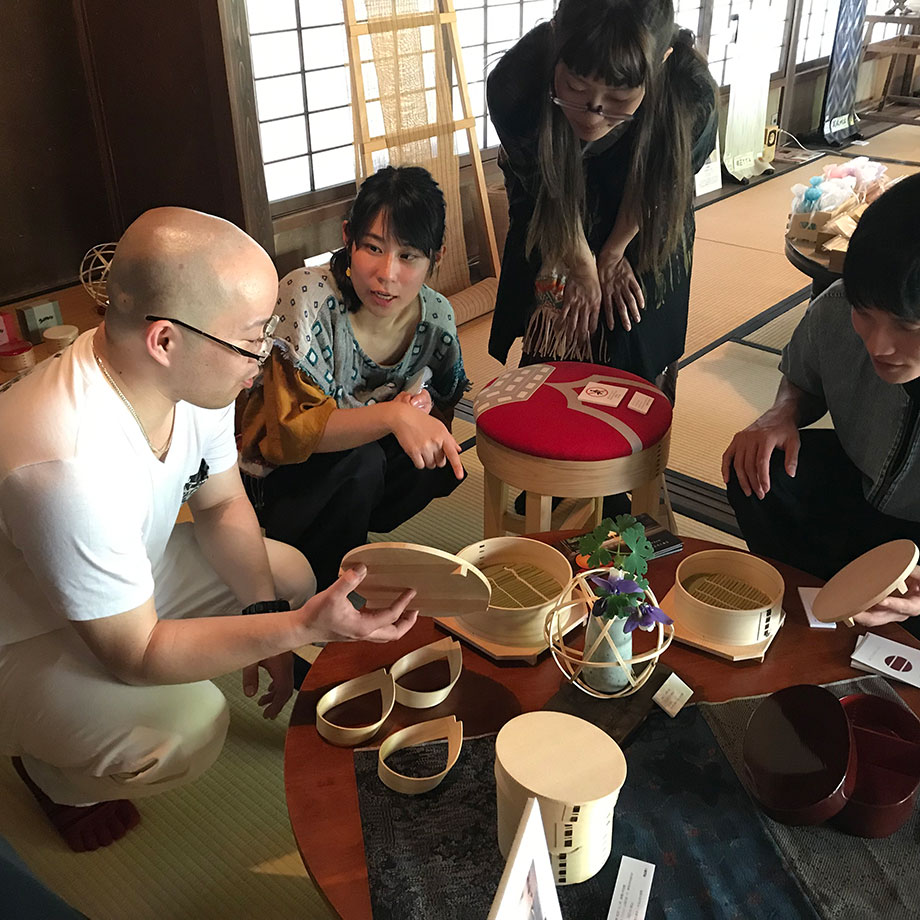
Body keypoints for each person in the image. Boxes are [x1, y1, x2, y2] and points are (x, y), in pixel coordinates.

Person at [0, 207, 418, 852]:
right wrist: (296, 628)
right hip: (19, 626)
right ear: (165, 339)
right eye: (252, 335)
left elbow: (222, 504)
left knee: (284, 574)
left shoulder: (186, 383)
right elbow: (134, 654)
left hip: (108, 578)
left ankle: (78, 715)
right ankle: (56, 775)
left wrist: (264, 613)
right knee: (187, 726)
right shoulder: (66, 464)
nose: (267, 353)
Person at [238, 165, 468, 597]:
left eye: (408, 256)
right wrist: (393, 416)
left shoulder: (436, 318)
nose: (386, 274)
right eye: (372, 248)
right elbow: (287, 434)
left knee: (430, 462)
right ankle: (321, 593)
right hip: (280, 474)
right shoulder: (306, 297)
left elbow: (446, 397)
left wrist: (420, 410)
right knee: (360, 464)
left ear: (435, 257)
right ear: (348, 237)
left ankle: (346, 536)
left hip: (366, 471)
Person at [486, 0, 718, 400]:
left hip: (647, 211)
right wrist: (579, 261)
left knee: (634, 333)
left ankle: (637, 450)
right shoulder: (517, 84)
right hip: (553, 206)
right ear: (557, 43)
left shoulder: (689, 94)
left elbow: (660, 188)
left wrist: (612, 252)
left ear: (660, 62)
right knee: (556, 331)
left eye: (619, 97)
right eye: (576, 87)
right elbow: (546, 186)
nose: (593, 115)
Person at [722, 173, 920, 637]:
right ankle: (809, 608)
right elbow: (803, 375)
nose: (878, 345)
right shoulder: (838, 305)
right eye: (865, 315)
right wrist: (781, 412)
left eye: (907, 328)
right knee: (758, 466)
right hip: (864, 486)